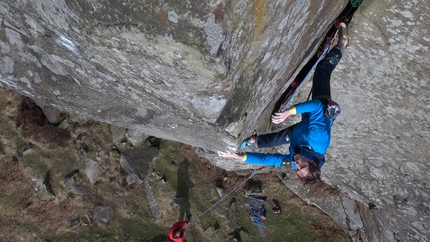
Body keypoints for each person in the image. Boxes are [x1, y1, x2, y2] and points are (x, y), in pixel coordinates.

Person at [218, 23, 349, 184]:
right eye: (302, 166)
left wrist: (241, 157)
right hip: (320, 112)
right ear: (313, 162)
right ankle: (342, 43)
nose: (297, 165)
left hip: (299, 134)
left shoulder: (298, 159)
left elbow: (271, 160)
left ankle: (251, 141)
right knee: (322, 69)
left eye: (298, 170)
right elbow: (315, 107)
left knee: (272, 140)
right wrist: (290, 112)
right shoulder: (318, 140)